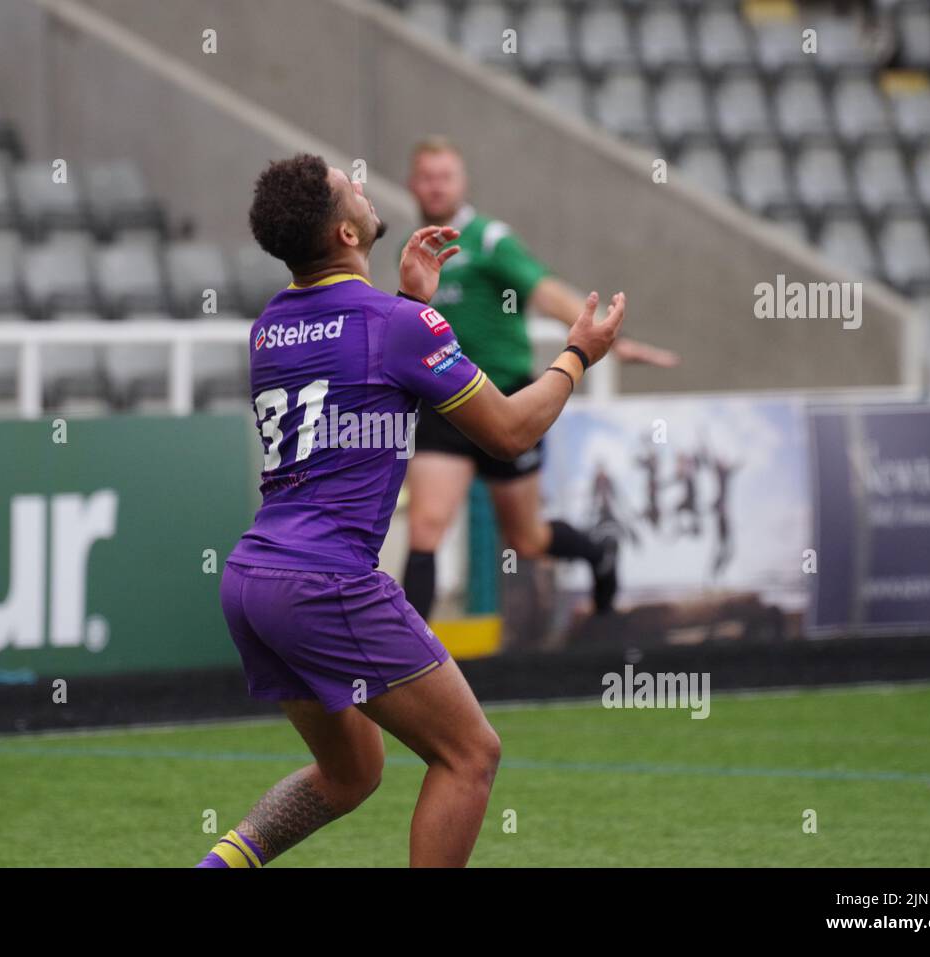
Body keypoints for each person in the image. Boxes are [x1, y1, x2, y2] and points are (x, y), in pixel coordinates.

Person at [198, 153, 626, 868]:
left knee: (350, 774)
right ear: (343, 233)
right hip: (325, 580)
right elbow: (512, 429)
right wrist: (579, 352)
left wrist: (412, 301)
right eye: (350, 189)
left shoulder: (269, 327)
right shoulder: (398, 325)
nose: (363, 189)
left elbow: (354, 364)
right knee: (470, 754)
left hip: (253, 581)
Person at [399, 137, 679, 620]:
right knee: (425, 528)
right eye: (426, 176)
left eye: (445, 176)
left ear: (462, 183)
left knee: (526, 541)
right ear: (412, 184)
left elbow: (544, 291)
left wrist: (605, 337)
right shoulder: (417, 248)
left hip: (507, 400)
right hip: (442, 405)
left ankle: (597, 553)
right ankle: (400, 664)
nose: (435, 186)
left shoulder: (488, 239)